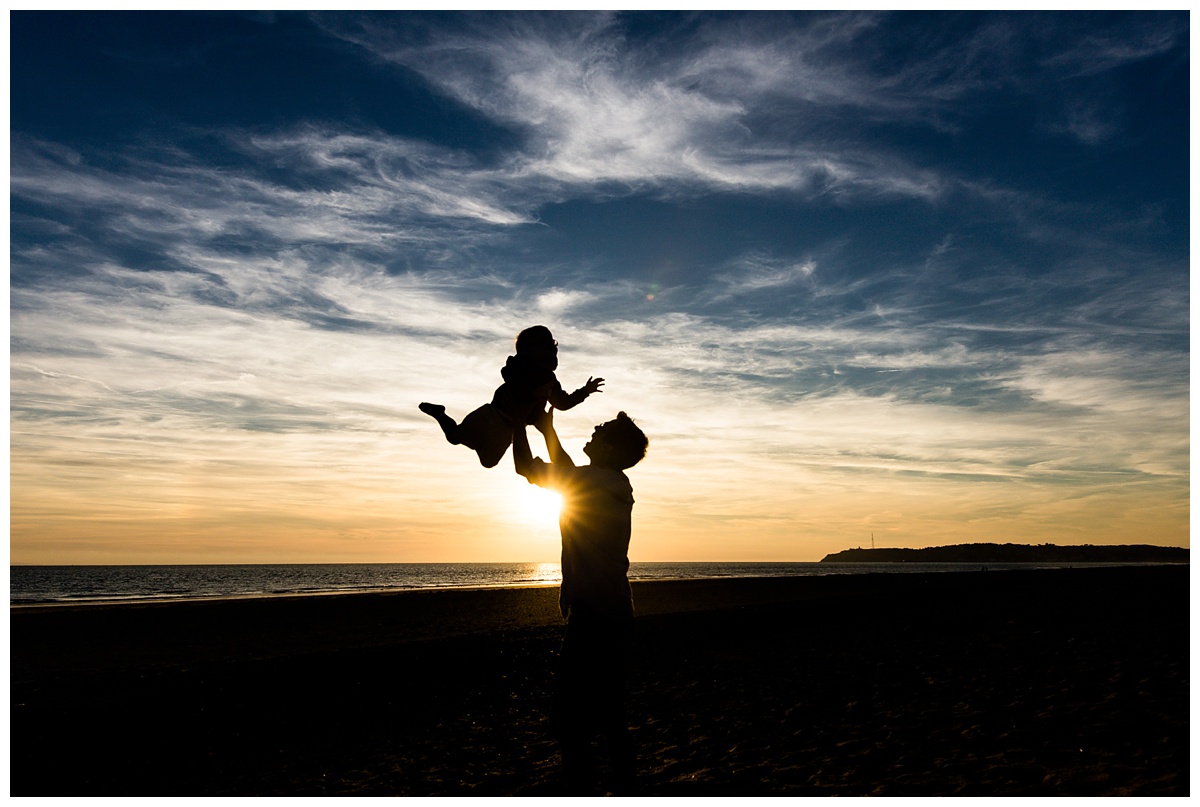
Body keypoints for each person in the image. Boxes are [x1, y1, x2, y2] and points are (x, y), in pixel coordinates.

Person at [512, 405, 648, 795]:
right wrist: (536, 429)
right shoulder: (604, 482)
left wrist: (524, 425)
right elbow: (547, 470)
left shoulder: (607, 484)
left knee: (570, 720)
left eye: (601, 429)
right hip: (608, 614)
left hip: (598, 617)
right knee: (608, 714)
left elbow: (542, 469)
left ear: (609, 449)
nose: (594, 428)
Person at [419, 325, 604, 468]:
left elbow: (562, 403)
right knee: (454, 436)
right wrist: (534, 396)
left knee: (488, 462)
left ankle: (474, 441)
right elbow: (512, 380)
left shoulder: (549, 379)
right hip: (492, 414)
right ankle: (440, 414)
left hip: (509, 427)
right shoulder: (518, 367)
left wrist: (584, 392)